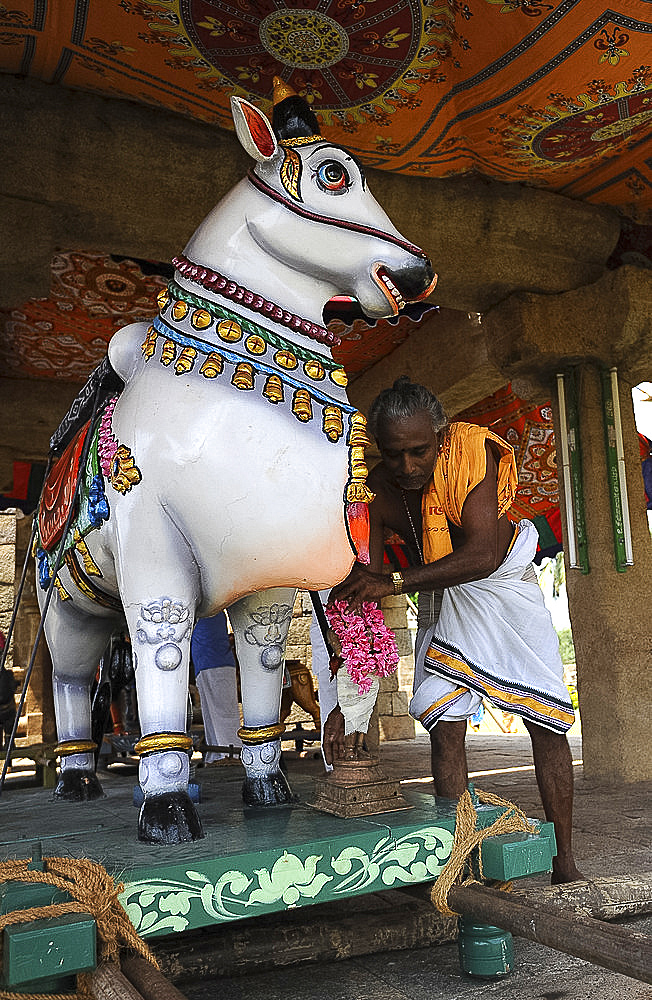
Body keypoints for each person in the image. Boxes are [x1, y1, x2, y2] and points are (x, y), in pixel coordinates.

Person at [327, 376, 582, 884]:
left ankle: (566, 862)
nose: (408, 466)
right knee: (445, 722)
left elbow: (483, 554)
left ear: (440, 437)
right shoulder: (374, 489)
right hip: (443, 591)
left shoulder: (470, 450)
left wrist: (394, 581)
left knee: (545, 719)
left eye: (419, 451)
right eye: (394, 454)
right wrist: (347, 700)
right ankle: (459, 864)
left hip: (503, 584)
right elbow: (364, 586)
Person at [191, 612, 242, 765]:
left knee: (218, 712)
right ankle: (218, 752)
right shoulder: (217, 612)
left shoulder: (203, 613)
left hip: (211, 665)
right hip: (214, 664)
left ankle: (227, 753)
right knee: (217, 712)